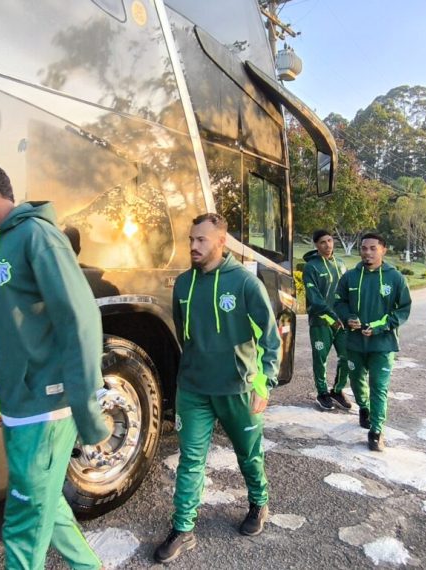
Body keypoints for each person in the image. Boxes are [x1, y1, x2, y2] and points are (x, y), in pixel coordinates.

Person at [0, 161, 111, 570]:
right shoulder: (0, 243)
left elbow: (81, 319)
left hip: (48, 405)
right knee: (44, 503)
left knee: (23, 524)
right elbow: (9, 331)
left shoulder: (38, 235)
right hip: (23, 402)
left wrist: (87, 408)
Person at [153, 213, 281, 564]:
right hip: (193, 388)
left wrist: (262, 382)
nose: (193, 246)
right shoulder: (182, 284)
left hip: (236, 388)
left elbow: (271, 339)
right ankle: (183, 528)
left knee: (248, 454)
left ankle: (258, 503)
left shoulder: (243, 283)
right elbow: (184, 334)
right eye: (191, 239)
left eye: (201, 240)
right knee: (190, 460)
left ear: (221, 243)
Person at [333, 232, 412, 452]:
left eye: (372, 248)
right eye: (364, 248)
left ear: (383, 250)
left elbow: (403, 309)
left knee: (379, 387)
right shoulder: (350, 277)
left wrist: (380, 327)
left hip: (383, 344)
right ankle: (364, 408)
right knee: (357, 382)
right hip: (354, 343)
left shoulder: (395, 278)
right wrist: (348, 317)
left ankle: (376, 431)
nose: (367, 252)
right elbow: (339, 302)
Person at [302, 229, 351, 411]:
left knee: (347, 356)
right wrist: (332, 316)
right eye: (323, 242)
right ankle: (322, 392)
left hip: (342, 323)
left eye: (330, 240)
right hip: (321, 322)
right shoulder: (311, 267)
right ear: (316, 245)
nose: (328, 245)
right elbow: (314, 298)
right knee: (320, 359)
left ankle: (337, 390)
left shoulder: (341, 264)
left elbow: (347, 293)